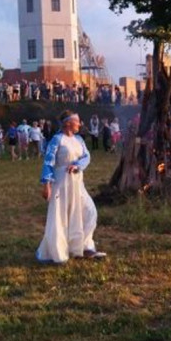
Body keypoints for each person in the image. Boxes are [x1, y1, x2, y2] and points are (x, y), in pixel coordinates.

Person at [36, 110, 106, 264]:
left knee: (89, 212)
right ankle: (59, 251)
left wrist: (77, 165)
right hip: (61, 182)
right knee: (61, 216)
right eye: (77, 121)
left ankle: (84, 246)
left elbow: (86, 156)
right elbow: (48, 162)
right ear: (68, 123)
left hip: (77, 181)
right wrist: (46, 185)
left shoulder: (79, 139)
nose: (80, 124)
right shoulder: (57, 140)